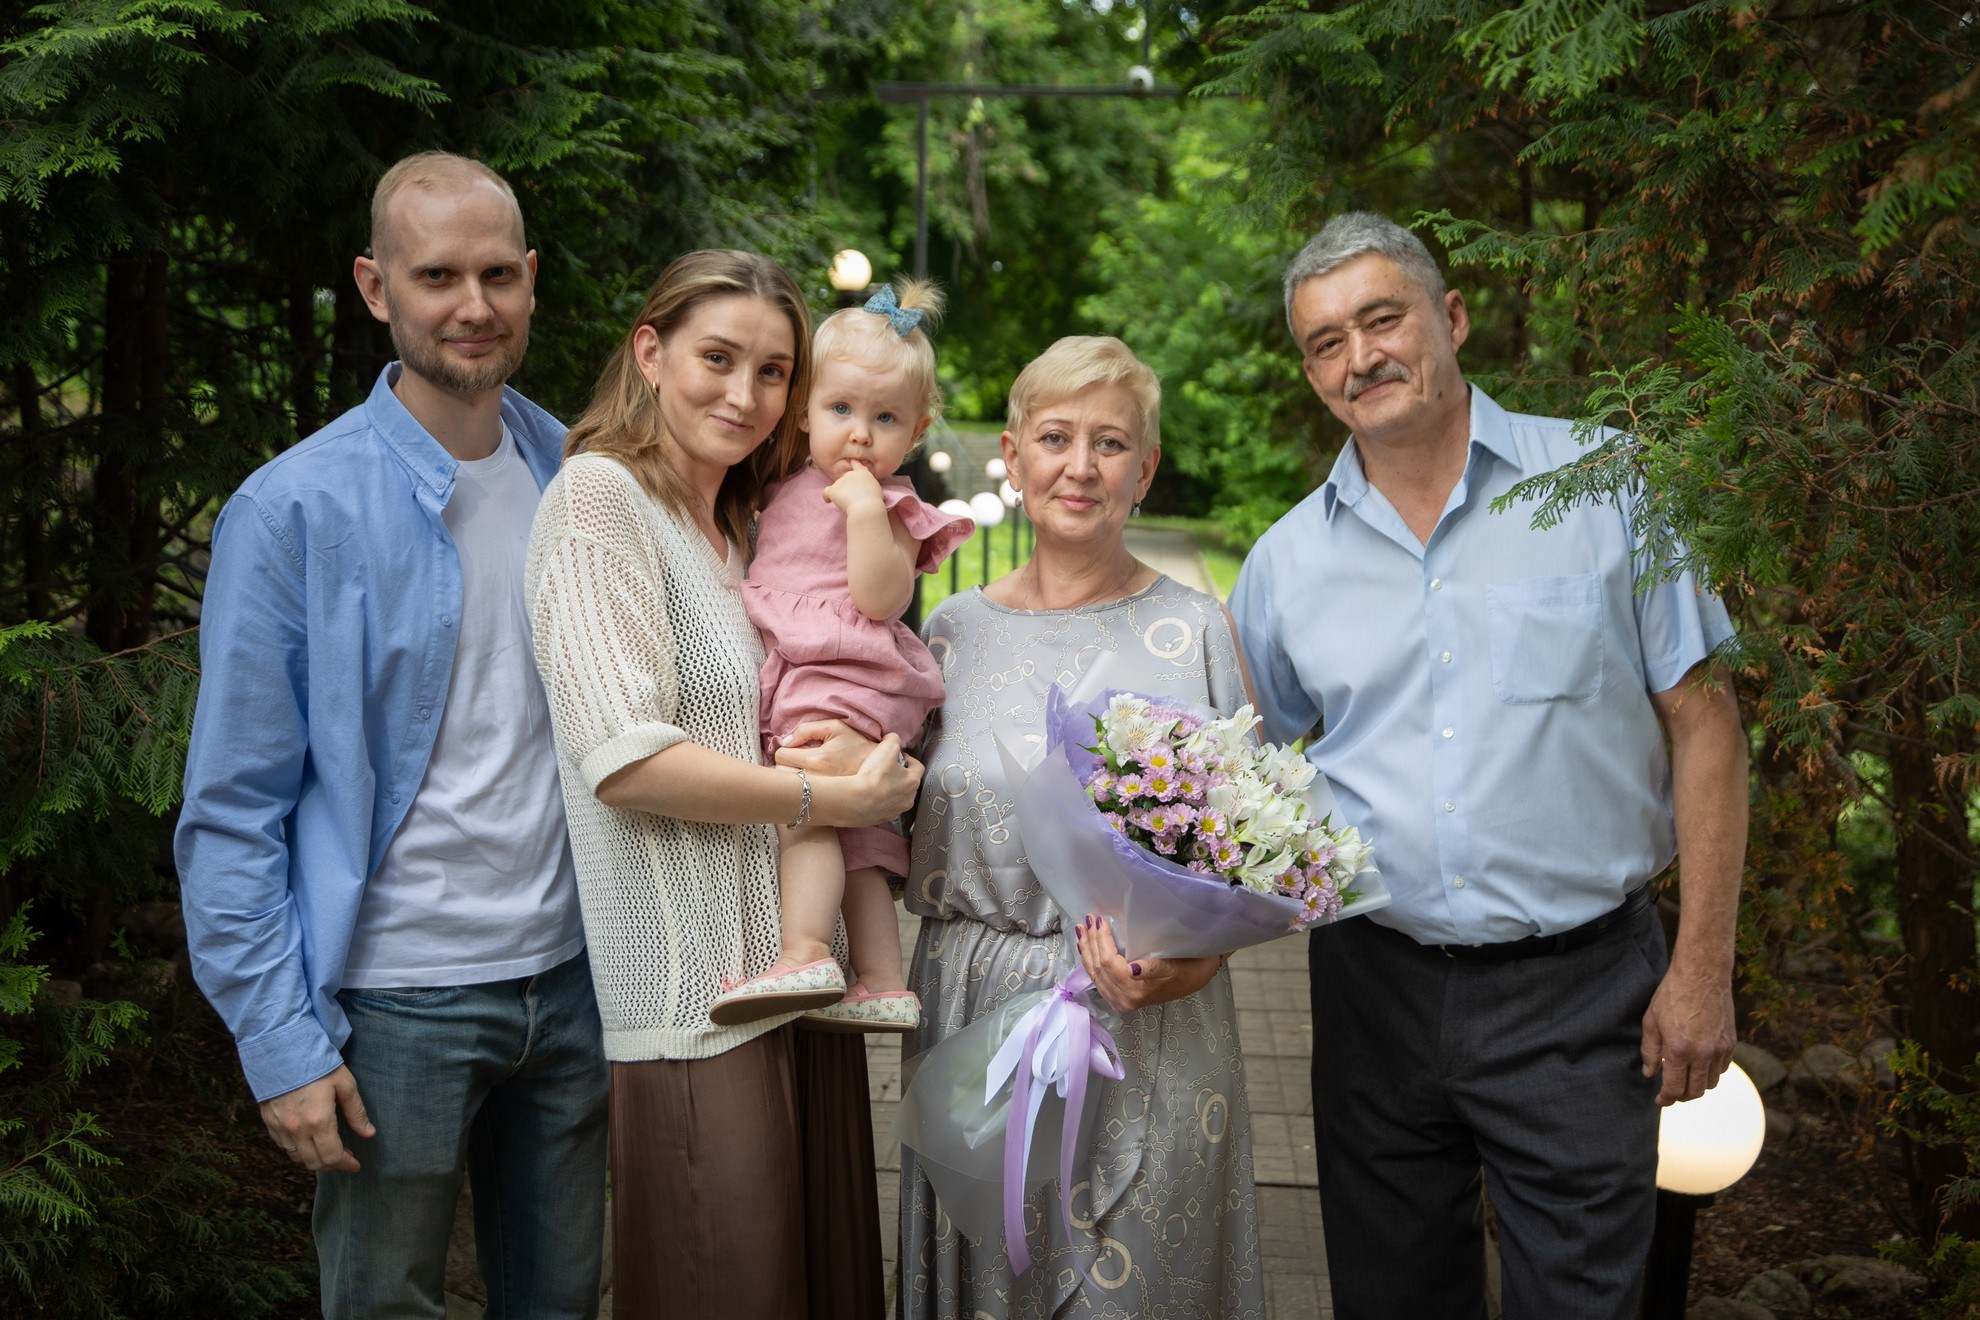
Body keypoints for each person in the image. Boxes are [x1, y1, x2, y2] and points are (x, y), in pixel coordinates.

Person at [1230, 211, 1749, 1319]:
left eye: (1382, 319)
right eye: (1325, 341)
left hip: (1582, 992)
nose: (1360, 356)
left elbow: (1706, 726)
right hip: (1372, 988)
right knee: (1391, 1299)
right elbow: (1254, 777)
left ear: (1450, 317)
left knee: (1584, 1302)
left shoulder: (1611, 487)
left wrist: (1704, 967)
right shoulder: (1282, 565)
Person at [176, 151, 608, 1318]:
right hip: (395, 1005)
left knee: (562, 1304)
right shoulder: (292, 510)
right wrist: (281, 1041)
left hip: (572, 983)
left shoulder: (585, 477)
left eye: (497, 276)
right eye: (437, 277)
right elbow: (230, 811)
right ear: (376, 289)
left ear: (531, 280)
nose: (474, 306)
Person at [524, 248, 923, 1319]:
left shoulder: (752, 527)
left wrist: (881, 769)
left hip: (807, 984)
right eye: (717, 358)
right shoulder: (599, 500)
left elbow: (838, 700)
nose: (745, 395)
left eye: (775, 372)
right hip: (696, 1001)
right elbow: (625, 759)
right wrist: (827, 803)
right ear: (649, 352)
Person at [894, 335, 1267, 1319]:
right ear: (1012, 459)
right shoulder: (949, 634)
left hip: (1153, 1022)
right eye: (1055, 437)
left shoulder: (1193, 630)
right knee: (991, 1282)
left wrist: (1194, 962)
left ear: (1143, 470)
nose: (1080, 465)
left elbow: (1250, 858)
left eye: (1111, 443)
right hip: (974, 1012)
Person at [709, 278, 971, 1033]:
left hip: (845, 676)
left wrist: (865, 515)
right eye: (841, 410)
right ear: (804, 411)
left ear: (915, 433)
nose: (860, 435)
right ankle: (884, 979)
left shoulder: (887, 505)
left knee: (809, 812)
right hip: (822, 673)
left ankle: (804, 950)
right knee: (862, 839)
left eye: (885, 418)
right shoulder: (788, 486)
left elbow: (885, 597)